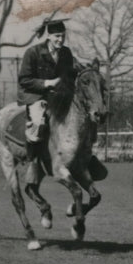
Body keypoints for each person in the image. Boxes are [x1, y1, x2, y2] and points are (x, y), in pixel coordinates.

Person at [18, 18, 78, 177]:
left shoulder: (66, 53)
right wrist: (47, 83)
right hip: (35, 95)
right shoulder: (33, 52)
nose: (60, 39)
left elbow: (70, 76)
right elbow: (24, 80)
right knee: (38, 122)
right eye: (57, 36)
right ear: (49, 36)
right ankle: (32, 162)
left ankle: (85, 157)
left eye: (63, 36)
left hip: (58, 96)